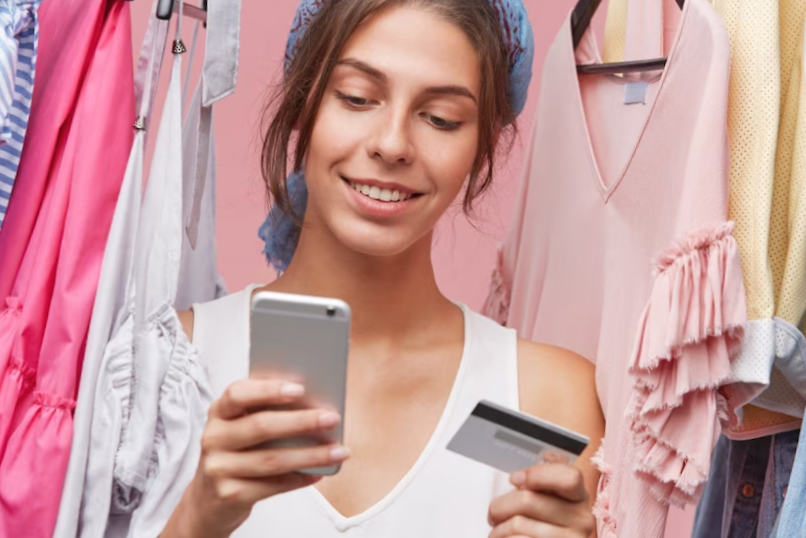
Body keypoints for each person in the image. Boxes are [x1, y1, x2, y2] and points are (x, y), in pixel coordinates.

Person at [161, 0, 605, 536]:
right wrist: (196, 519)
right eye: (357, 97)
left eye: (442, 118)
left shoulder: (546, 397)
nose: (393, 144)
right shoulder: (170, 365)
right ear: (305, 103)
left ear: (480, 146)